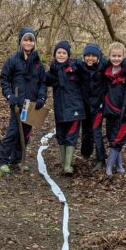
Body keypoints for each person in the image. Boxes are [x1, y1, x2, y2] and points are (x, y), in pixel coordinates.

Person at [0, 28, 47, 174]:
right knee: (13, 132)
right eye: (25, 39)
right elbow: (4, 79)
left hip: (31, 106)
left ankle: (17, 159)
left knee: (25, 134)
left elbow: (42, 83)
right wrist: (9, 96)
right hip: (17, 104)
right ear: (20, 41)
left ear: (34, 43)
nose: (28, 43)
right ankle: (2, 161)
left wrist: (42, 98)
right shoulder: (13, 60)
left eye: (31, 40)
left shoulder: (38, 63)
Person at [101, 42, 126, 177]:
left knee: (119, 139)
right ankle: (119, 165)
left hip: (124, 113)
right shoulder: (106, 72)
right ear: (109, 56)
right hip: (110, 111)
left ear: (124, 56)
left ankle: (109, 168)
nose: (116, 58)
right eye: (113, 56)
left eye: (119, 56)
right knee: (113, 138)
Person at [46, 41, 85, 175]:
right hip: (60, 109)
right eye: (59, 52)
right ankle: (64, 165)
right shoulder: (52, 72)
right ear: (55, 54)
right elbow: (41, 81)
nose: (61, 55)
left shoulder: (76, 68)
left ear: (68, 55)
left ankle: (68, 166)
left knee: (71, 135)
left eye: (64, 53)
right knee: (61, 135)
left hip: (75, 108)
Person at [76, 43, 107, 171]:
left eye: (93, 56)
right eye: (88, 55)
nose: (90, 58)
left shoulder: (104, 65)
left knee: (96, 131)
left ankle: (101, 159)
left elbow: (121, 63)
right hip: (85, 104)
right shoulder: (79, 65)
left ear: (98, 57)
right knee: (86, 129)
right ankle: (86, 153)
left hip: (98, 105)